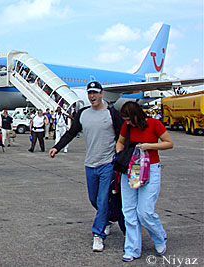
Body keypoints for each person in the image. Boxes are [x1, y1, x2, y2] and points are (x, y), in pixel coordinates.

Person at [49, 81, 123, 252]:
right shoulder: (83, 114)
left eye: (95, 93)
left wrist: (122, 156)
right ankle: (108, 218)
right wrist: (57, 147)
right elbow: (71, 132)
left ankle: (98, 235)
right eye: (90, 93)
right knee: (94, 199)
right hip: (90, 163)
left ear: (102, 94)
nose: (92, 96)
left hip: (107, 163)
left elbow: (121, 136)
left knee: (103, 199)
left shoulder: (112, 114)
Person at [116, 101, 173, 262]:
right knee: (129, 210)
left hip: (151, 168)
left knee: (145, 211)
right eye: (125, 120)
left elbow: (169, 143)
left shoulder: (154, 124)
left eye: (129, 119)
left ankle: (159, 236)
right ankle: (132, 248)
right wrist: (119, 153)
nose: (127, 123)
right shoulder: (126, 127)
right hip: (131, 169)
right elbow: (120, 141)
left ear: (136, 115)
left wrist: (150, 146)